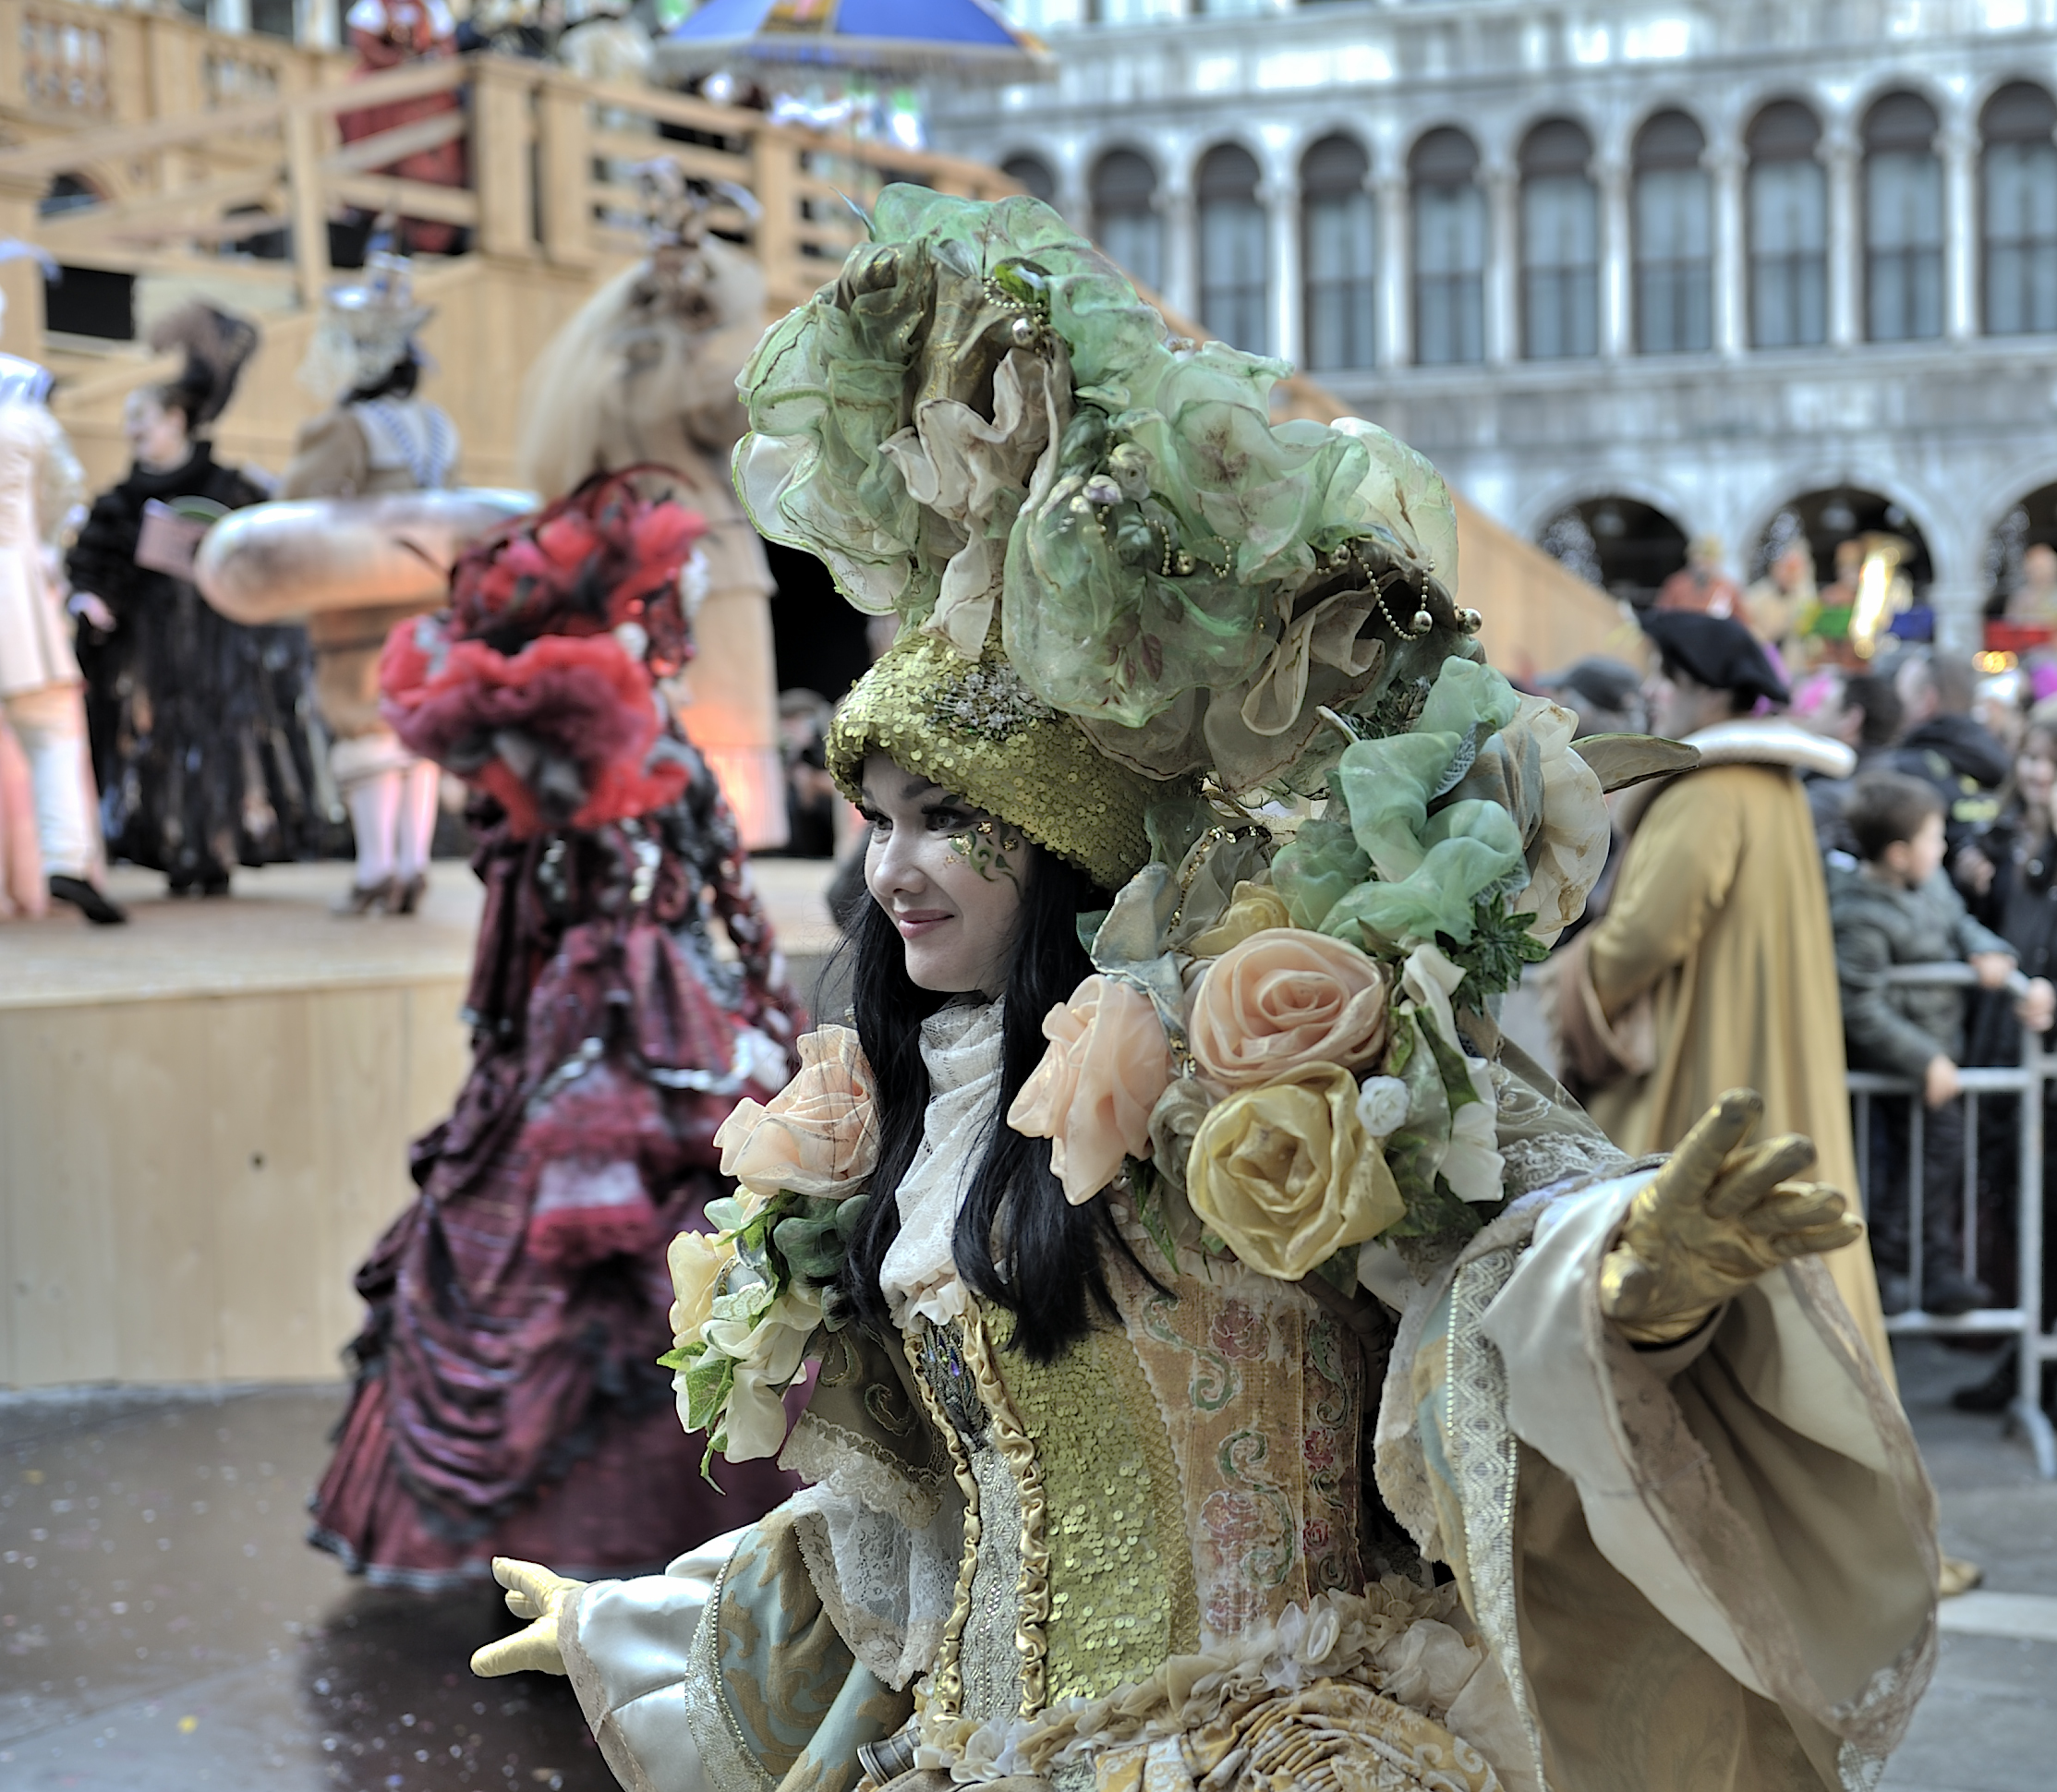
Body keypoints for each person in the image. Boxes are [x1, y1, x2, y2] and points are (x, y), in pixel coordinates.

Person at [467, 189, 1934, 1792]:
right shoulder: (912, 1109)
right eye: (876, 820)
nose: (893, 870)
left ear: (1066, 844)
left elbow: (1492, 1260)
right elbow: (934, 1518)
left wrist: (1632, 1274)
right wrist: (635, 1625)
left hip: (1269, 1743)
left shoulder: (1237, 1059)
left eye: (953, 821)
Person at [308, 472, 808, 1589]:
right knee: (653, 1263)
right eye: (656, 598)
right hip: (624, 1023)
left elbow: (683, 887)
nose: (672, 616)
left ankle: (688, 1551)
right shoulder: (594, 737)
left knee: (700, 1252)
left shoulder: (599, 731)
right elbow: (646, 891)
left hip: (627, 1024)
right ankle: (656, 1556)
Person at [1554, 609, 1896, 1381]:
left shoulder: (1709, 791)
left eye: (1664, 677)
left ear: (1704, 692)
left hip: (1701, 1070)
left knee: (1692, 1280)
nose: (1651, 692)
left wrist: (1563, 992)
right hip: (1753, 1056)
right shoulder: (1770, 789)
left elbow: (1645, 936)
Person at [515, 174, 786, 850]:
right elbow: (732, 427)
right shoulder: (663, 372)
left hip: (659, 546)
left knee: (696, 698)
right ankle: (708, 831)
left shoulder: (609, 372)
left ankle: (689, 826)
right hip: (691, 547)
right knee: (704, 699)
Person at [67, 304, 321, 898]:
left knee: (222, 736)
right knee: (157, 740)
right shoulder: (119, 501)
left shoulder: (231, 487)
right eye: (130, 419)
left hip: (221, 644)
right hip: (149, 647)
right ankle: (169, 844)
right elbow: (93, 565)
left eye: (144, 417)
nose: (134, 429)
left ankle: (221, 841)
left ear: (178, 419)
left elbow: (269, 550)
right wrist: (92, 599)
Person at [1829, 770, 2055, 1315]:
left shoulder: (1930, 885)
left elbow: (1961, 924)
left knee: (1944, 1159)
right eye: (1935, 838)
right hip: (1896, 1064)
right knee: (1907, 1161)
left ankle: (1933, 1268)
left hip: (1935, 1056)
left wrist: (1989, 951)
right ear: (1902, 854)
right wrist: (1924, 1058)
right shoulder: (1858, 912)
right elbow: (1860, 1005)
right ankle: (1890, 1258)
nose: (1946, 846)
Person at [284, 251, 460, 914]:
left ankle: (375, 867)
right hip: (428, 596)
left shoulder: (345, 427)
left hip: (359, 600)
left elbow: (302, 504)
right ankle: (410, 864)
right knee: (415, 727)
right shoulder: (439, 426)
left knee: (364, 727)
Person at [0, 321, 118, 923]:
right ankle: (64, 859)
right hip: (16, 595)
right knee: (52, 730)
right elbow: (65, 493)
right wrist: (42, 551)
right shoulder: (25, 407)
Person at [1890, 648, 2011, 892]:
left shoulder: (1904, 767)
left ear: (1927, 700)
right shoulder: (2006, 758)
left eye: (1900, 697)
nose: (1896, 709)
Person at [1790, 665, 1902, 858]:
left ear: (1851, 719)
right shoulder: (1882, 776)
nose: (1811, 713)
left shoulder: (1829, 798)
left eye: (1822, 704)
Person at [1743, 539, 1815, 662]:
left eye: (1795, 570)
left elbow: (1809, 633)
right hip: (1764, 657)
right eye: (1787, 569)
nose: (1791, 575)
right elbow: (1749, 627)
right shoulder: (1758, 595)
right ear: (1775, 569)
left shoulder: (1804, 596)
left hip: (1794, 663)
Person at [1652, 531, 1741, 618]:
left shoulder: (1727, 589)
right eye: (1698, 560)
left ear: (1715, 562)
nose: (1702, 566)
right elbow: (1660, 617)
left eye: (1707, 560)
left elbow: (1743, 623)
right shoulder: (1676, 585)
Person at [2006, 540, 2057, 625]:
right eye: (2035, 568)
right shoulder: (2021, 596)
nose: (2039, 572)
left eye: (2042, 568)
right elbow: (2011, 623)